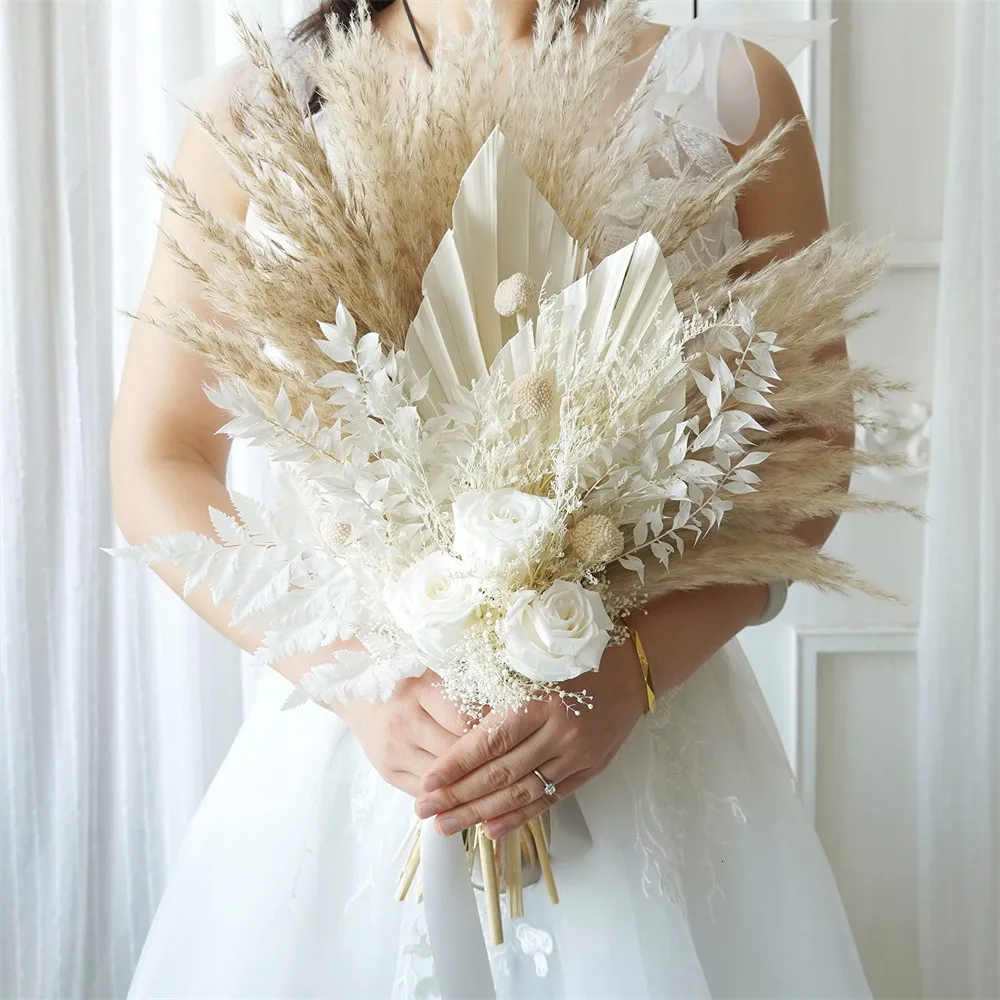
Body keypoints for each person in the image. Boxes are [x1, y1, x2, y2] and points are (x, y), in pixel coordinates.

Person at [111, 1, 871, 996]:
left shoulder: (727, 91)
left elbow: (807, 450)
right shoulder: (265, 107)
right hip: (360, 753)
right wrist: (353, 679)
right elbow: (156, 457)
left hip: (642, 740)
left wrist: (629, 672)